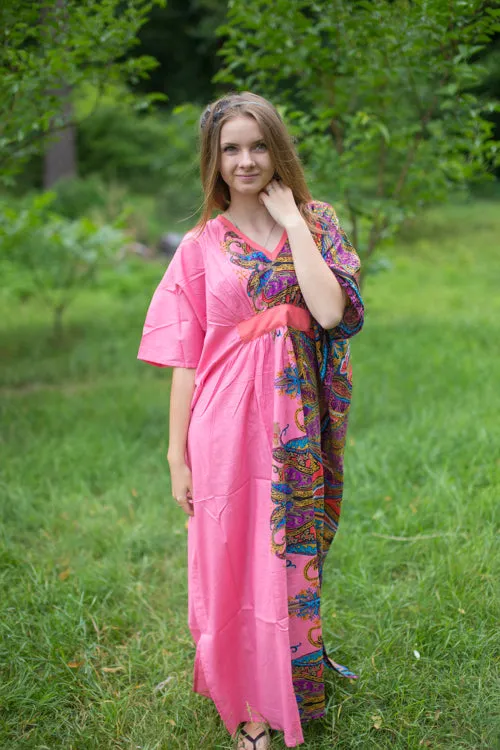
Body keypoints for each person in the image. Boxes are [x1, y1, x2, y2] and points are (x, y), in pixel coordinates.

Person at [137, 92, 364, 749]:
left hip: (295, 424)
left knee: (289, 556)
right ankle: (249, 711)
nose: (244, 160)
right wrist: (176, 454)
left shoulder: (317, 222)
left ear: (277, 148)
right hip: (222, 424)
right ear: (214, 158)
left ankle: (289, 679)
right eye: (230, 148)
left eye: (257, 145)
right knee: (229, 558)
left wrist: (293, 222)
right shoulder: (200, 244)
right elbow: (186, 355)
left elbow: (331, 313)